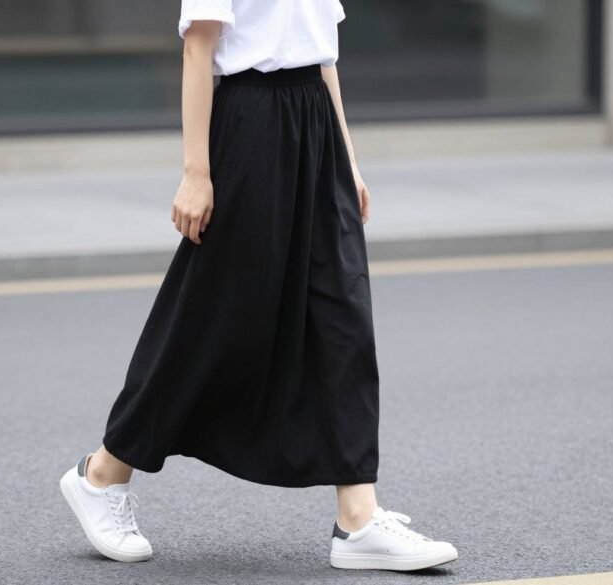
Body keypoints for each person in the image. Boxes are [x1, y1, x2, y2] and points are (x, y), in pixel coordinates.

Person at [59, 0, 459, 572]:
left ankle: (358, 517)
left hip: (315, 123)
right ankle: (103, 473)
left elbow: (323, 59)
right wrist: (197, 171)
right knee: (217, 316)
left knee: (342, 311)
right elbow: (198, 46)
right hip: (251, 124)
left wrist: (347, 157)